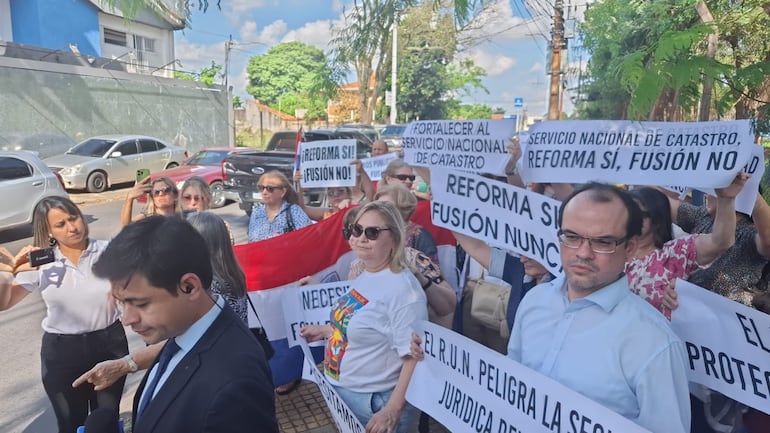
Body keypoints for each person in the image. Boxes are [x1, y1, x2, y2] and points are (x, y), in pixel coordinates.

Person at [415, 183, 691, 433]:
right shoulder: (534, 302)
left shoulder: (655, 343)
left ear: (630, 248)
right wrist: (434, 357)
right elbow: (509, 388)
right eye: (571, 237)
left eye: (603, 242)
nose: (583, 252)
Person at [91, 216, 278, 433]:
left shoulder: (234, 382)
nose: (127, 319)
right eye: (122, 303)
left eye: (140, 304)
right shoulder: (183, 330)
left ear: (189, 287)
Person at [72, 212, 250, 400]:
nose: (126, 319)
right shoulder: (230, 277)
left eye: (142, 303)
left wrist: (127, 365)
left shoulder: (210, 291)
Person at [0, 197, 128, 433]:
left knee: (106, 421)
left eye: (74, 217)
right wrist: (11, 271)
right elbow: (4, 302)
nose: (72, 227)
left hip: (109, 343)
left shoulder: (107, 251)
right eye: (60, 224)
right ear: (47, 230)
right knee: (71, 423)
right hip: (62, 353)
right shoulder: (41, 261)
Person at [300, 201, 428, 433]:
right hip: (348, 395)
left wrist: (391, 411)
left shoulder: (404, 292)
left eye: (372, 232)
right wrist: (327, 330)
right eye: (356, 230)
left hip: (375, 404)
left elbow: (414, 358)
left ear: (395, 239)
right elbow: (368, 326)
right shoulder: (368, 271)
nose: (360, 238)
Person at [625, 178, 746, 320]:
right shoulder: (608, 248)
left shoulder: (674, 253)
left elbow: (721, 242)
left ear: (656, 218)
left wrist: (726, 199)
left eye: (637, 213)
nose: (628, 218)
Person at [295, 160, 375, 222]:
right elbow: (302, 209)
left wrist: (362, 172)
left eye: (340, 191)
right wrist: (298, 184)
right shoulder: (326, 213)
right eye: (331, 193)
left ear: (349, 194)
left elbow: (370, 198)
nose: (336, 195)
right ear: (328, 199)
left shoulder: (354, 210)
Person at [247, 170, 312, 242]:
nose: (264, 192)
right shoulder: (256, 213)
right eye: (261, 188)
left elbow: (308, 237)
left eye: (270, 189)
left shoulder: (294, 211)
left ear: (283, 192)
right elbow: (251, 242)